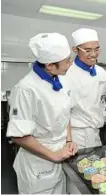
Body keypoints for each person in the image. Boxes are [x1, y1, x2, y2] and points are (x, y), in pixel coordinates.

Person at [6, 33, 77, 194]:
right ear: (50, 65)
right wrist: (54, 156)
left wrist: (68, 140)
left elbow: (65, 114)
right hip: (38, 162)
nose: (70, 64)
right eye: (67, 61)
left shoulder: (61, 80)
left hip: (60, 154)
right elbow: (20, 136)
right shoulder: (26, 89)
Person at [65, 28, 106, 149]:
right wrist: (69, 140)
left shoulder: (101, 72)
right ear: (75, 50)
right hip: (75, 133)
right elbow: (63, 111)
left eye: (97, 49)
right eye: (87, 50)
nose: (93, 54)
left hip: (95, 132)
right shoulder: (67, 73)